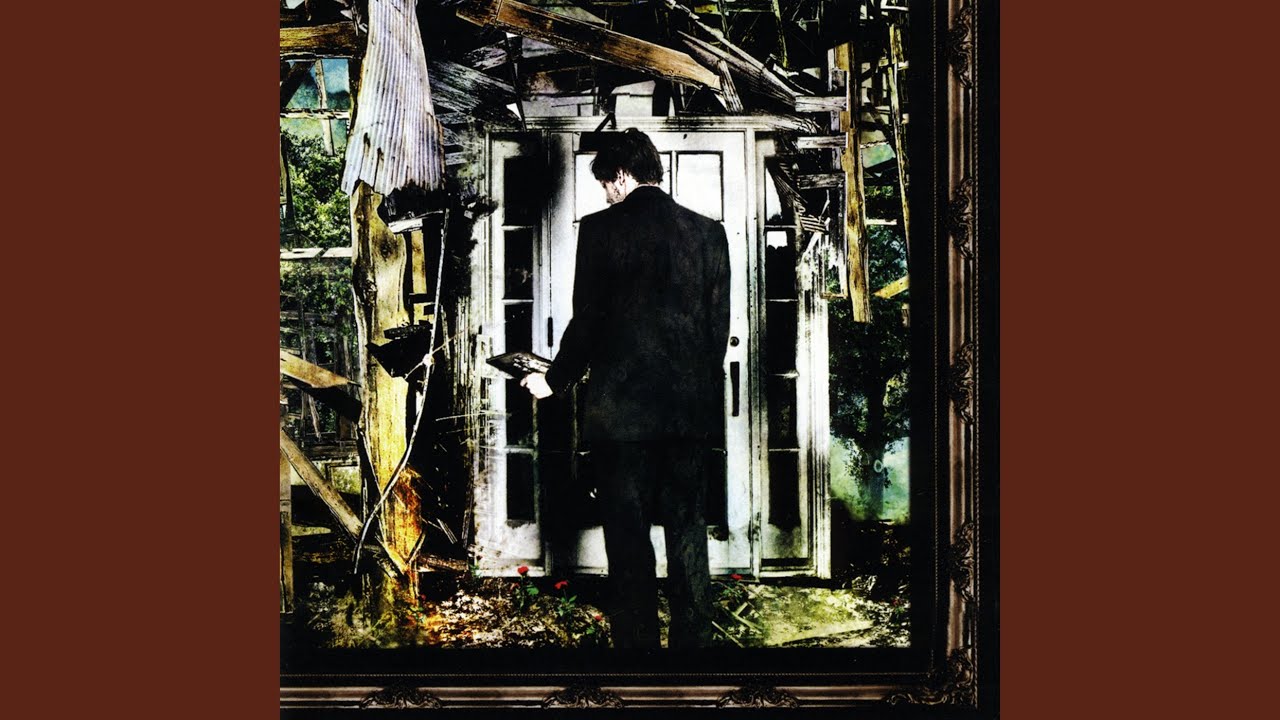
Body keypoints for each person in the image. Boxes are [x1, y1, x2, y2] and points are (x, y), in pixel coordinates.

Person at [521, 128, 730, 649]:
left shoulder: (599, 230)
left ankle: (638, 657)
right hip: (688, 417)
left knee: (629, 539)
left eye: (604, 184)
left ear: (619, 176)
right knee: (688, 534)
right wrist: (696, 397)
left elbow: (588, 321)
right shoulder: (709, 233)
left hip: (622, 418)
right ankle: (695, 655)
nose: (605, 194)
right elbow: (716, 333)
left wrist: (553, 379)